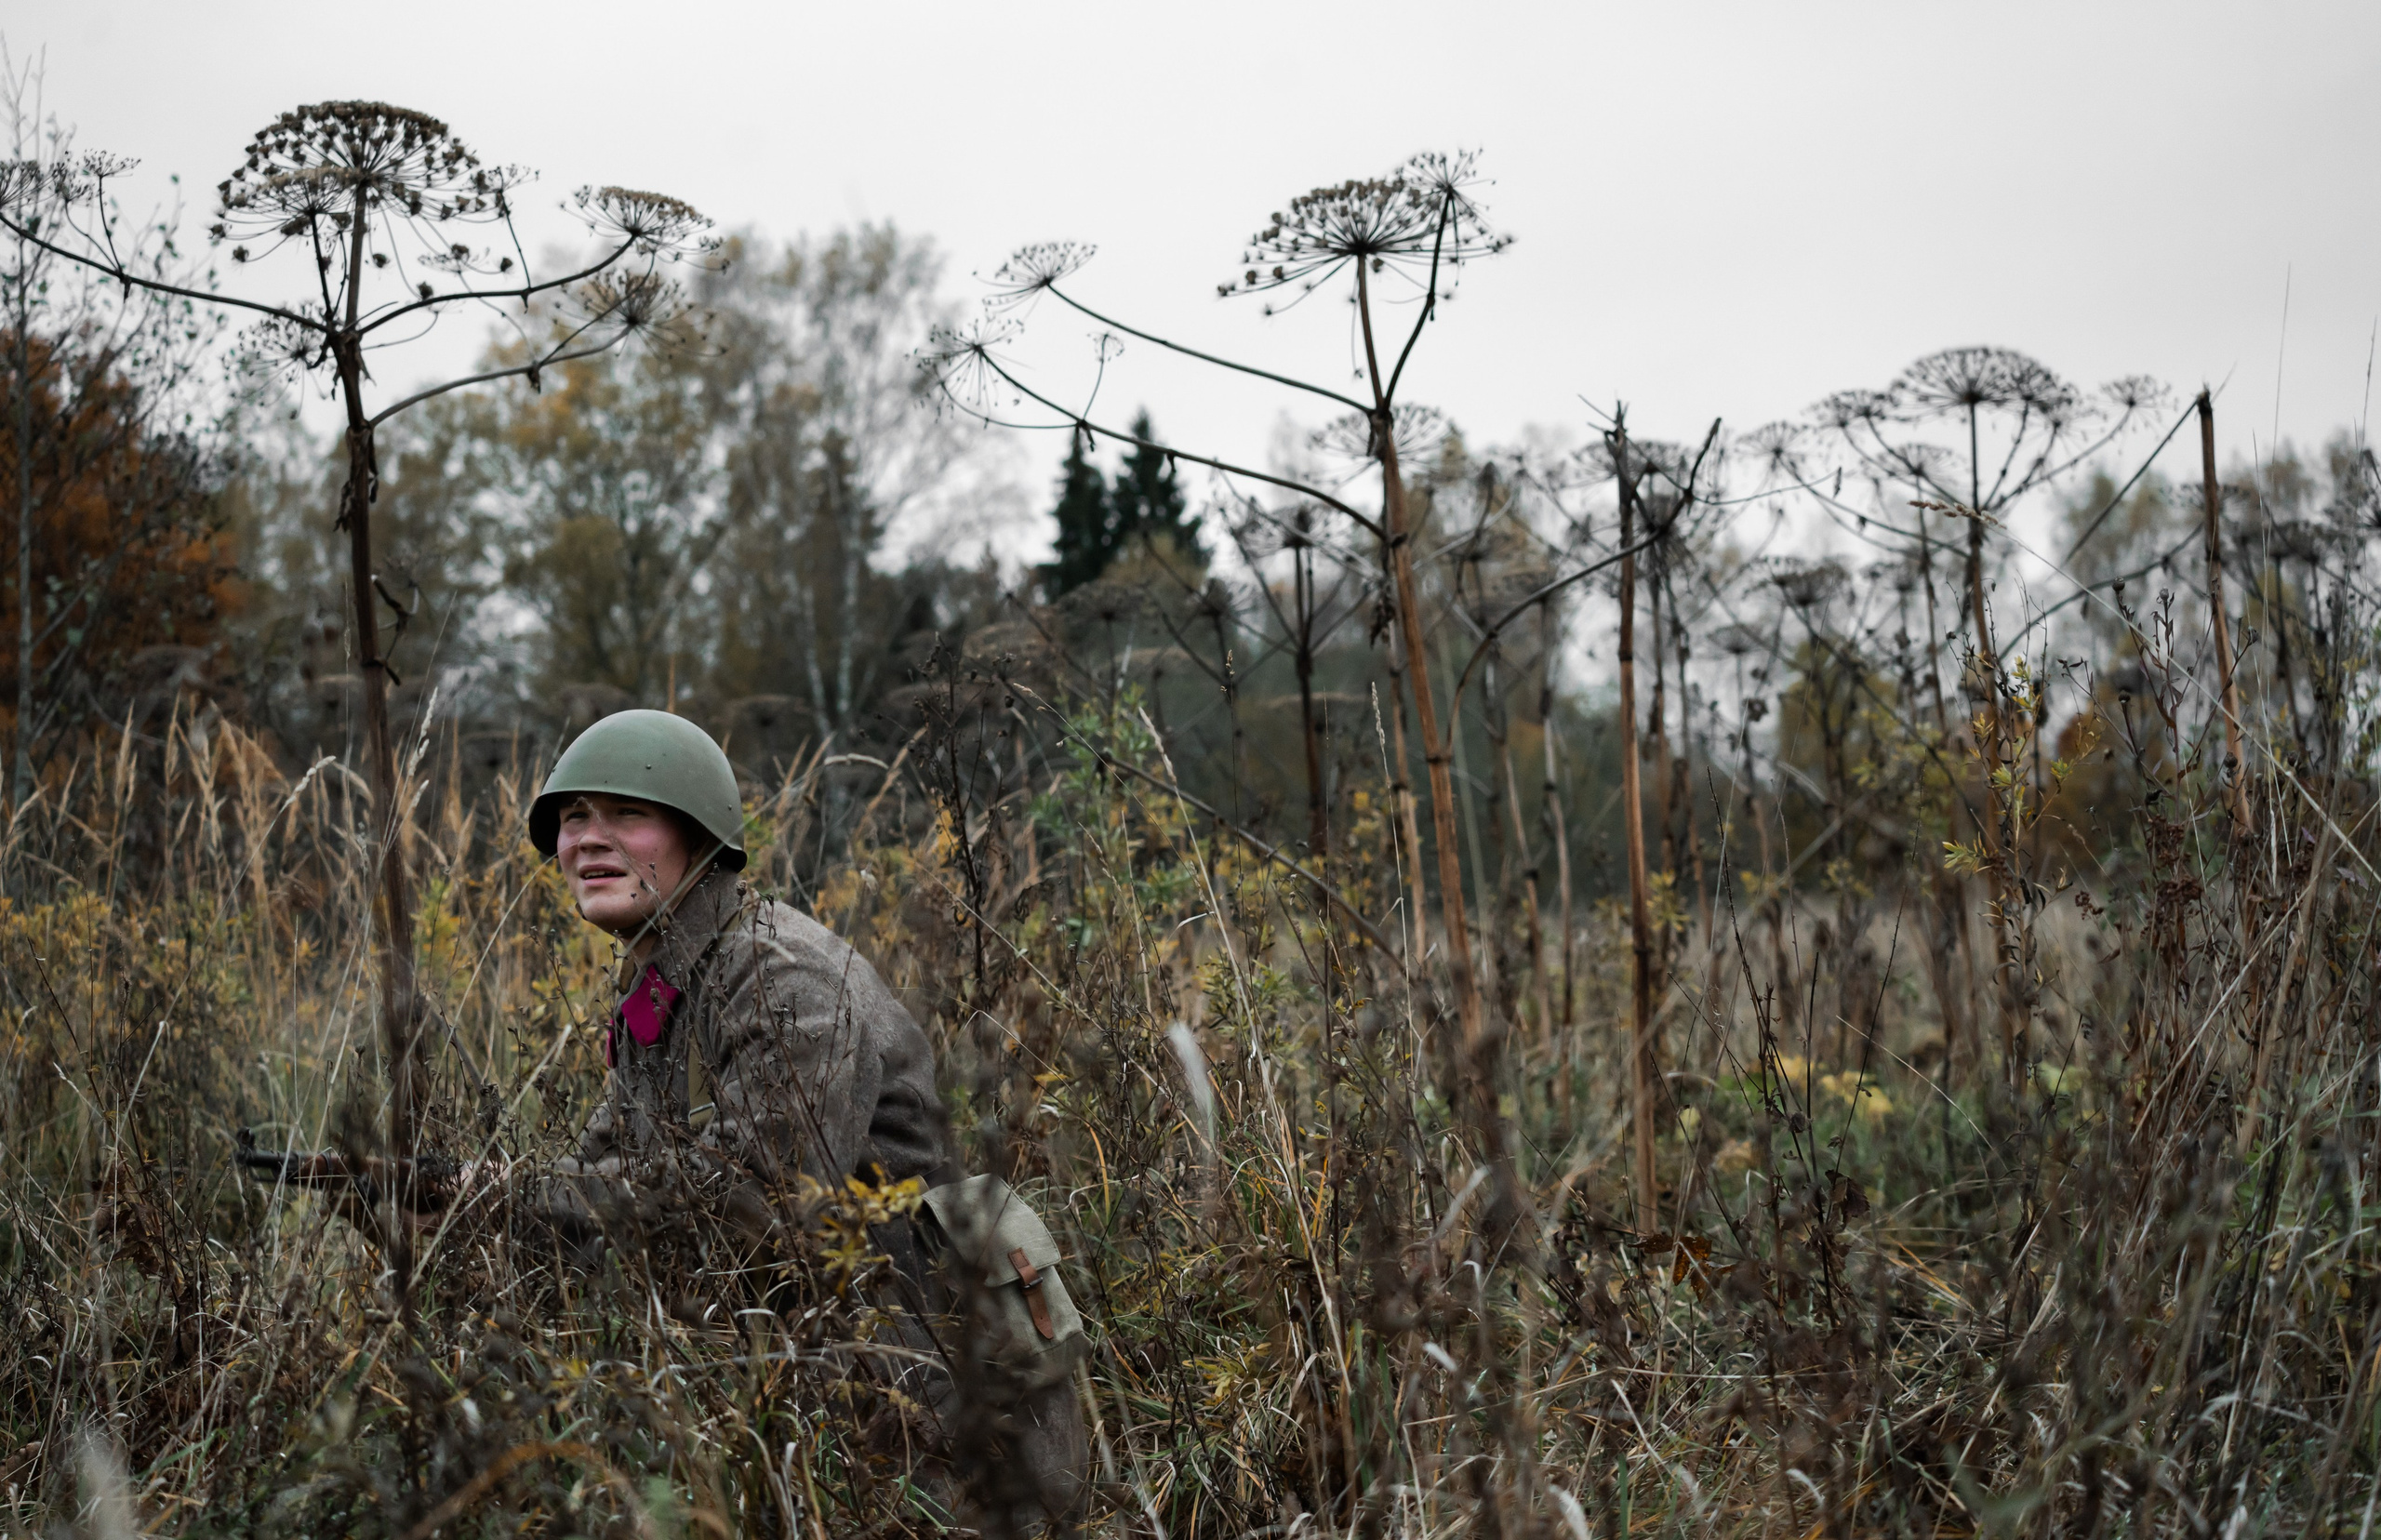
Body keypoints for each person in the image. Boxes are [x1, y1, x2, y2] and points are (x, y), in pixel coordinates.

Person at [510, 710, 1088, 1523]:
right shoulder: (668, 984)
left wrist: (504, 1195)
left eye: (626, 814)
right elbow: (606, 1169)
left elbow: (757, 1203)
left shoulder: (783, 982)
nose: (588, 841)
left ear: (696, 836)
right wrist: (454, 1201)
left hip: (934, 1398)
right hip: (827, 1387)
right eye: (573, 819)